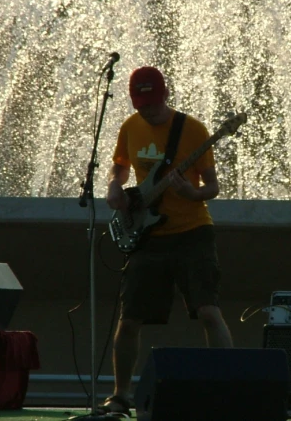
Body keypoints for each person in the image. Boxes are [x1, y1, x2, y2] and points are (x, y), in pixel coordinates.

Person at [100, 65, 234, 415]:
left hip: (192, 233)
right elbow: (120, 166)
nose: (148, 111)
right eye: (141, 105)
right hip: (146, 233)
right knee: (129, 318)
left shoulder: (193, 130)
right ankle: (121, 395)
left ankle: (231, 388)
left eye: (154, 104)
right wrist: (115, 185)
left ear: (166, 95)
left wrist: (191, 193)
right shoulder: (130, 126)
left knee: (208, 311)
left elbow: (213, 187)